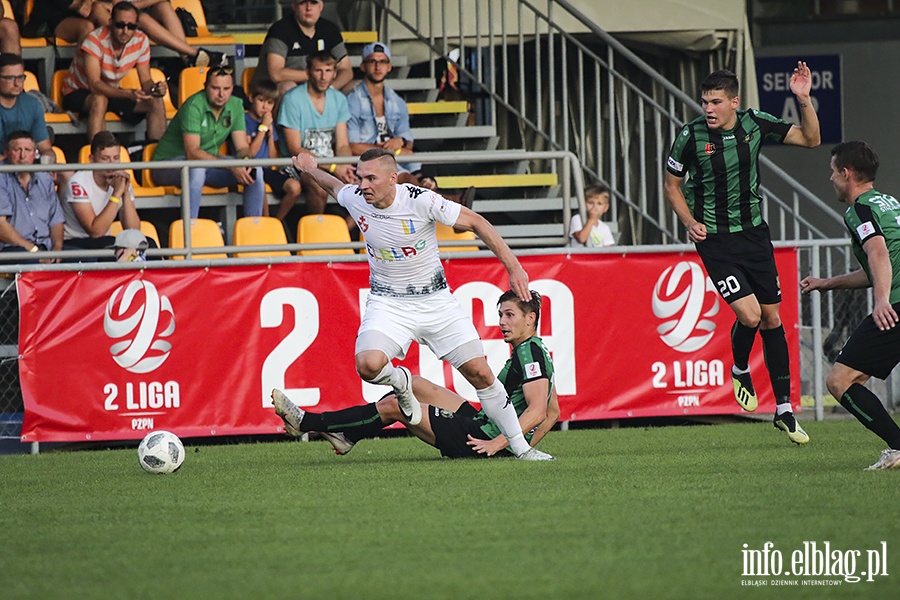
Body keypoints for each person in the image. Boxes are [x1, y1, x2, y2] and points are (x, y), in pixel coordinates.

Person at [288, 147, 554, 460]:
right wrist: (309, 168)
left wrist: (514, 267)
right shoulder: (357, 197)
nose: (364, 185)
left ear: (392, 179)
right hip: (388, 302)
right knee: (368, 365)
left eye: (371, 178)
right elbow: (333, 185)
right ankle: (401, 383)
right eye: (360, 177)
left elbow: (477, 222)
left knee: (481, 374)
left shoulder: (420, 200)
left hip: (435, 302)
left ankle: (522, 450)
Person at [663, 63, 820, 444]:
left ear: (735, 101)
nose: (709, 109)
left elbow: (811, 140)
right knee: (748, 315)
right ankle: (739, 368)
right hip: (715, 240)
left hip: (753, 236)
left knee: (771, 318)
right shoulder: (689, 135)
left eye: (716, 102)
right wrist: (688, 221)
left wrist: (803, 99)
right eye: (704, 102)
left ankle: (783, 409)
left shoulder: (755, 124)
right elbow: (672, 184)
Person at [272, 290, 560, 459]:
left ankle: (308, 422)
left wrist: (501, 446)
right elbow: (553, 412)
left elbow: (537, 412)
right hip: (484, 423)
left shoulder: (528, 353)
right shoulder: (537, 350)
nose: (501, 322)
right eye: (500, 315)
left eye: (509, 315)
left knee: (396, 405)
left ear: (530, 319)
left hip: (482, 438)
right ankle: (347, 435)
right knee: (416, 385)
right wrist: (524, 448)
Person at [800, 141, 900, 470]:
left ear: (846, 174)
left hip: (896, 302)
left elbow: (878, 253)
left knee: (839, 381)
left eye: (832, 172)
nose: (830, 179)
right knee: (852, 379)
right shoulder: (888, 203)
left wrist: (882, 300)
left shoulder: (858, 209)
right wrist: (825, 284)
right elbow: (877, 267)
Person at [151, 66, 265, 219]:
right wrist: (231, 166)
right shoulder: (194, 105)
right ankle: (190, 230)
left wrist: (245, 161)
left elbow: (243, 147)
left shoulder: (236, 105)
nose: (221, 94)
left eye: (226, 88)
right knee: (196, 169)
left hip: (207, 165)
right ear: (205, 87)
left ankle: (253, 230)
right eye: (215, 88)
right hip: (167, 165)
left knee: (255, 169)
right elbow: (192, 153)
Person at [61, 2, 167, 142]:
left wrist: (155, 88)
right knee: (99, 100)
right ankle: (99, 156)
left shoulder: (141, 41)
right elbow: (95, 84)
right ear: (110, 22)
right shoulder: (94, 39)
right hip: (77, 91)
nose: (125, 31)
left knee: (156, 102)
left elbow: (146, 80)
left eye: (131, 27)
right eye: (120, 25)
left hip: (112, 91)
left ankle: (157, 157)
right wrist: (127, 94)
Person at [278, 50, 355, 217]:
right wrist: (334, 167)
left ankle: (353, 238)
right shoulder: (292, 99)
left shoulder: (339, 99)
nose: (323, 77)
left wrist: (345, 166)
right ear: (308, 72)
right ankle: (316, 236)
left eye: (328, 71)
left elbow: (342, 144)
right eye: (318, 70)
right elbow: (294, 149)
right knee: (319, 186)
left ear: (335, 73)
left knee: (366, 185)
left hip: (330, 164)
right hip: (297, 165)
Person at [346, 42, 419, 185]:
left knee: (424, 179)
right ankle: (457, 200)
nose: (378, 67)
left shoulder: (397, 101)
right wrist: (389, 152)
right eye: (372, 61)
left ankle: (454, 199)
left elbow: (408, 144)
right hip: (365, 163)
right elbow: (352, 146)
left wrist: (401, 141)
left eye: (382, 61)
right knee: (410, 182)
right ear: (363, 66)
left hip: (396, 161)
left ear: (389, 67)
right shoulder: (352, 100)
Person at [61, 131, 140, 250]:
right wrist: (117, 193)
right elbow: (95, 232)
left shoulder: (120, 180)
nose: (112, 164)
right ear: (92, 159)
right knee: (113, 244)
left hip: (103, 241)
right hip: (74, 242)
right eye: (105, 158)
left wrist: (126, 193)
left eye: (116, 158)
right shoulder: (78, 182)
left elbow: (133, 231)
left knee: (147, 243)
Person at [253, 0, 352, 94]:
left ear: (321, 6)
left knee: (354, 88)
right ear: (294, 5)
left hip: (320, 87)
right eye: (303, 2)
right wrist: (315, 75)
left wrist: (330, 88)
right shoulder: (280, 30)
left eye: (314, 2)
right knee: (289, 87)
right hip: (271, 92)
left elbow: (346, 70)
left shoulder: (330, 29)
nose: (308, 8)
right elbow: (276, 74)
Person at [241, 78, 301, 219]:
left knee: (295, 187)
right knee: (259, 183)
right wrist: (262, 129)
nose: (265, 107)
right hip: (251, 169)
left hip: (267, 169)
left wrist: (269, 135)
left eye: (270, 103)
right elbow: (250, 154)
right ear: (251, 98)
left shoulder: (269, 123)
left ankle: (277, 222)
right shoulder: (244, 120)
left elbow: (273, 159)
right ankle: (266, 222)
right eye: (261, 100)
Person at [0, 131, 64, 263]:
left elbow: (56, 221)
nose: (23, 156)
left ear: (35, 153)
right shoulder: (1, 176)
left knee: (85, 259)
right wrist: (34, 251)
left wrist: (57, 248)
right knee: (31, 263)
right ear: (6, 153)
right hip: (12, 248)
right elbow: (1, 226)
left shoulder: (44, 177)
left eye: (28, 150)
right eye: (17, 150)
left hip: (45, 247)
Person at [115, 0, 225, 67]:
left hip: (149, 21)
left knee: (164, 6)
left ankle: (187, 59)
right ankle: (194, 53)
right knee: (142, 17)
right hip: (124, 25)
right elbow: (119, 8)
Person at [0, 54, 55, 164]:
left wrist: (47, 163)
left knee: (67, 174)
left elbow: (46, 148)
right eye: (10, 78)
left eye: (20, 77)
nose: (17, 83)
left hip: (26, 166)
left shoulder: (32, 104)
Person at [569, 182, 615, 247]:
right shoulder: (577, 219)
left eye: (599, 204)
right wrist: (591, 219)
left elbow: (608, 249)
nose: (594, 207)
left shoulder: (605, 228)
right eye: (590, 203)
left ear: (605, 208)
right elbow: (581, 239)